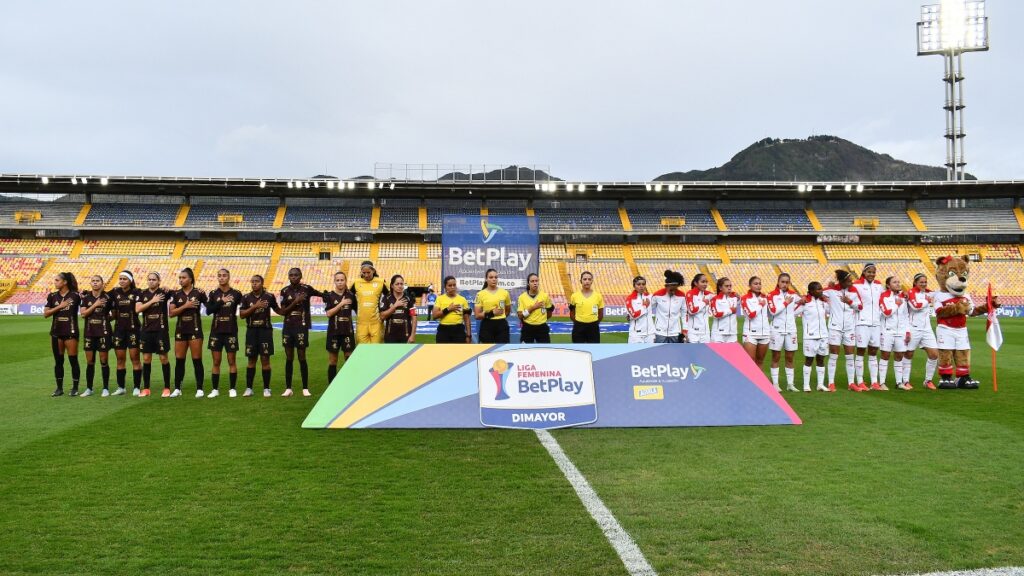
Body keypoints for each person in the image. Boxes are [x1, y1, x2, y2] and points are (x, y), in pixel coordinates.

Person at [279, 267, 322, 397]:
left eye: (296, 275)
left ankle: (305, 388)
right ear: (288, 276)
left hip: (301, 326)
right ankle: (288, 388)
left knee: (302, 357)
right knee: (289, 357)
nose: (293, 277)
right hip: (288, 327)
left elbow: (321, 295)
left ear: (301, 276)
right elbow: (283, 311)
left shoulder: (307, 289)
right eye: (291, 275)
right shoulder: (284, 291)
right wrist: (295, 302)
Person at [169, 267, 208, 398]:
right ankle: (177, 388)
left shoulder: (199, 293)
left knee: (197, 360)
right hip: (180, 330)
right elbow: (171, 313)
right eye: (180, 278)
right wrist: (186, 306)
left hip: (195, 329)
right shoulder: (176, 294)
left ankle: (200, 389)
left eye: (183, 277)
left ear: (190, 279)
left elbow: (210, 307)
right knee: (179, 360)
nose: (181, 280)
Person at [240, 274, 280, 397]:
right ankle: (249, 388)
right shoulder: (246, 297)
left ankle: (266, 388)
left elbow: (279, 310)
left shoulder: (269, 296)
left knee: (265, 359)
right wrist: (255, 306)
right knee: (251, 360)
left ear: (262, 283)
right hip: (251, 331)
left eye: (257, 281)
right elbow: (242, 315)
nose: (254, 283)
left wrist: (292, 307)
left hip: (265, 331)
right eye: (252, 281)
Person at [823, 270, 863, 392]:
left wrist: (849, 301)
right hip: (835, 327)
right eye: (848, 281)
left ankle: (851, 383)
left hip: (849, 327)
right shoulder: (831, 290)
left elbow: (860, 306)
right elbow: (816, 293)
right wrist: (825, 298)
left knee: (850, 356)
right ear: (841, 281)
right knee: (834, 355)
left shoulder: (853, 291)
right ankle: (831, 383)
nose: (851, 283)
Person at [206, 269, 243, 398]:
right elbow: (208, 311)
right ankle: (215, 390)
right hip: (216, 331)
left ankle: (232, 389)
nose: (221, 278)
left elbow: (245, 307)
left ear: (229, 277)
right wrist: (221, 301)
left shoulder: (237, 293)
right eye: (219, 276)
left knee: (231, 361)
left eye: (224, 275)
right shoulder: (213, 293)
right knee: (216, 361)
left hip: (230, 330)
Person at [43, 272, 81, 396]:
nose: (55, 282)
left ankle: (75, 388)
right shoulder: (52, 296)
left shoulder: (76, 295)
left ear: (65, 282)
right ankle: (59, 388)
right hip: (56, 332)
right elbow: (46, 314)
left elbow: (87, 303)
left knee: (73, 360)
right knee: (58, 361)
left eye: (57, 280)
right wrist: (60, 306)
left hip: (71, 332)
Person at [136, 272, 172, 397]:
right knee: (146, 358)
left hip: (161, 331)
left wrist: (167, 288)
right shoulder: (142, 293)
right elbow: (138, 309)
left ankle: (167, 388)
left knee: (163, 358)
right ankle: (146, 388)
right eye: (149, 279)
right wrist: (152, 301)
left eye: (154, 279)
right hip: (146, 331)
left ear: (159, 281)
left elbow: (177, 293)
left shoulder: (164, 292)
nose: (151, 281)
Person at [767, 272, 802, 392]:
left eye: (787, 282)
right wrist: (785, 303)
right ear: (778, 282)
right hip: (777, 329)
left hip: (791, 329)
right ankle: (775, 384)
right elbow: (773, 311)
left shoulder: (793, 294)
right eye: (782, 282)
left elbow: (803, 302)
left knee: (790, 357)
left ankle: (790, 384)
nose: (785, 284)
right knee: (776, 356)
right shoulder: (771, 295)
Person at [852, 263, 885, 391]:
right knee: (860, 351)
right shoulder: (856, 285)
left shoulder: (878, 285)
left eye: (873, 272)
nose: (871, 274)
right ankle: (860, 381)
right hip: (862, 322)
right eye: (869, 272)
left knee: (873, 352)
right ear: (864, 272)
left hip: (876, 323)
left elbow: (883, 299)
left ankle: (874, 382)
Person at [109, 270, 142, 395]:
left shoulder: (137, 292)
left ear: (130, 280)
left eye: (125, 279)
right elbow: (101, 295)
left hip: (134, 329)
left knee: (135, 359)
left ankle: (136, 387)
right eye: (120, 278)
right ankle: (121, 387)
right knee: (120, 359)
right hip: (119, 330)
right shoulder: (115, 292)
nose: (122, 281)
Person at [905, 273, 940, 390]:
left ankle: (928, 380)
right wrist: (927, 301)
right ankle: (905, 380)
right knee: (909, 354)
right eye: (921, 282)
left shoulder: (928, 293)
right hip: (913, 328)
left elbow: (939, 292)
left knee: (934, 354)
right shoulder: (911, 292)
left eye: (925, 282)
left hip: (926, 329)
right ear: (915, 282)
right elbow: (916, 306)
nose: (924, 284)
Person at [79, 275, 113, 397]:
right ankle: (89, 388)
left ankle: (105, 388)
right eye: (93, 281)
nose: (95, 283)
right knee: (90, 362)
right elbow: (83, 314)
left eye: (97, 281)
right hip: (89, 332)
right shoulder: (86, 297)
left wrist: (105, 320)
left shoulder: (107, 297)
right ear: (90, 283)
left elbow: (114, 313)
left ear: (102, 283)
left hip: (103, 332)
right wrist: (95, 305)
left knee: (104, 361)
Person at [879, 276, 911, 391]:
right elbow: (886, 313)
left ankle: (899, 382)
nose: (898, 284)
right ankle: (882, 383)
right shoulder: (884, 296)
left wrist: (907, 331)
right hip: (887, 331)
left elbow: (906, 316)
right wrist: (896, 304)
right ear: (888, 285)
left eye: (898, 282)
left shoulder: (903, 297)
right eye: (894, 282)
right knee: (885, 356)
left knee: (899, 356)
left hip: (901, 331)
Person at [323, 271, 356, 383]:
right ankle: (332, 387)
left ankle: (349, 384)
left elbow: (358, 310)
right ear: (334, 281)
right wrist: (341, 304)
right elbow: (328, 313)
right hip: (334, 332)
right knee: (333, 360)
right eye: (337, 280)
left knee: (349, 358)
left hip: (347, 331)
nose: (340, 282)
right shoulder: (330, 296)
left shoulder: (351, 295)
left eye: (342, 280)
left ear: (345, 281)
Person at [798, 281, 830, 392]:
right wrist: (800, 301)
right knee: (809, 360)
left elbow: (831, 310)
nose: (821, 291)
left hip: (823, 335)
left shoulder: (822, 302)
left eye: (821, 288)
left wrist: (827, 301)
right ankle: (806, 385)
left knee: (821, 359)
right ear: (811, 291)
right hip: (810, 336)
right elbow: (792, 311)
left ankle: (820, 385)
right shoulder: (805, 303)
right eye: (818, 289)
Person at [352, 261, 387, 345]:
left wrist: (383, 310)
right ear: (361, 272)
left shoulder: (381, 282)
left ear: (373, 271)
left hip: (376, 323)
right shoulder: (356, 283)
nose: (366, 275)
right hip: (361, 323)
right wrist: (356, 309)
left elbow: (389, 297)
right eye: (364, 273)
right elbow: (349, 297)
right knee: (363, 350)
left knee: (375, 350)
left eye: (368, 272)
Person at [474, 268, 512, 344]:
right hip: (487, 325)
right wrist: (492, 313)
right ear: (486, 279)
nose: (494, 279)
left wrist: (500, 318)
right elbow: (477, 315)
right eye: (491, 277)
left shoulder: (505, 293)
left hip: (502, 326)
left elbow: (507, 310)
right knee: (487, 349)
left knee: (502, 349)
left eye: (495, 277)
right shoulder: (480, 294)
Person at [740, 276, 771, 364]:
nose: (758, 286)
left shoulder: (765, 297)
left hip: (765, 333)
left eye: (760, 284)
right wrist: (760, 305)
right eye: (755, 284)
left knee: (760, 361)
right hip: (750, 334)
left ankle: (759, 375)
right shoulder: (745, 298)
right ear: (750, 285)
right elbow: (750, 315)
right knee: (750, 362)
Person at [433, 276, 472, 344]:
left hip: (458, 331)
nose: (452, 287)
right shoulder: (440, 299)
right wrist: (448, 309)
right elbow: (435, 315)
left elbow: (466, 319)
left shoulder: (462, 299)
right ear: (445, 287)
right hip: (443, 331)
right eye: (450, 285)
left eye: (454, 285)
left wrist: (469, 335)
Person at [651, 270, 686, 343]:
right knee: (659, 351)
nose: (673, 291)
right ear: (666, 286)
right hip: (659, 332)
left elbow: (684, 314)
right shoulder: (657, 295)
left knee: (675, 351)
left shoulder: (682, 296)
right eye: (671, 289)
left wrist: (685, 329)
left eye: (675, 288)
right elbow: (647, 310)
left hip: (675, 332)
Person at [381, 274, 418, 344]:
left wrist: (413, 335)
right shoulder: (386, 298)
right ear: (392, 286)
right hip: (390, 336)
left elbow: (414, 317)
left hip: (406, 335)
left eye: (401, 284)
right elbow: (382, 316)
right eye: (397, 284)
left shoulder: (409, 299)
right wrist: (395, 306)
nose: (400, 286)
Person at [517, 272, 553, 344]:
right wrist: (533, 308)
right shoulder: (522, 297)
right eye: (532, 281)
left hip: (542, 328)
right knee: (525, 350)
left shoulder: (545, 296)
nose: (535, 283)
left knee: (545, 349)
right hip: (527, 328)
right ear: (528, 283)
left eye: (536, 281)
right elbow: (520, 315)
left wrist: (541, 320)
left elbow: (549, 312)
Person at [569, 270, 604, 343]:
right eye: (584, 279)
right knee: (578, 348)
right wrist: (578, 322)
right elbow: (572, 313)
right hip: (578, 327)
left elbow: (600, 313)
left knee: (594, 348)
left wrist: (594, 323)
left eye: (589, 279)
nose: (587, 281)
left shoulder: (598, 296)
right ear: (581, 281)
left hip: (593, 327)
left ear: (592, 281)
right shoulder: (574, 296)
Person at [709, 277, 740, 343]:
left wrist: (738, 297)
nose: (729, 288)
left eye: (730, 286)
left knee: (733, 350)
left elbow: (741, 302)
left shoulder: (734, 298)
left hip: (732, 334)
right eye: (726, 286)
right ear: (720, 288)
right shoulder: (715, 299)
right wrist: (730, 310)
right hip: (718, 334)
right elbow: (716, 314)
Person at [625, 275, 654, 344]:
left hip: (651, 334)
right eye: (638, 284)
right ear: (634, 286)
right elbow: (634, 315)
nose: (641, 286)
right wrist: (644, 307)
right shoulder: (630, 299)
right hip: (636, 336)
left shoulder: (650, 297)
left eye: (643, 284)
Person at [685, 273, 713, 344]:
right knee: (692, 351)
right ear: (695, 283)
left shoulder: (709, 294)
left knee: (705, 351)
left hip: (705, 332)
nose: (705, 284)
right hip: (693, 333)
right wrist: (703, 303)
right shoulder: (690, 294)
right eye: (703, 282)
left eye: (706, 282)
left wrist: (734, 295)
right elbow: (691, 311)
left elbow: (721, 297)